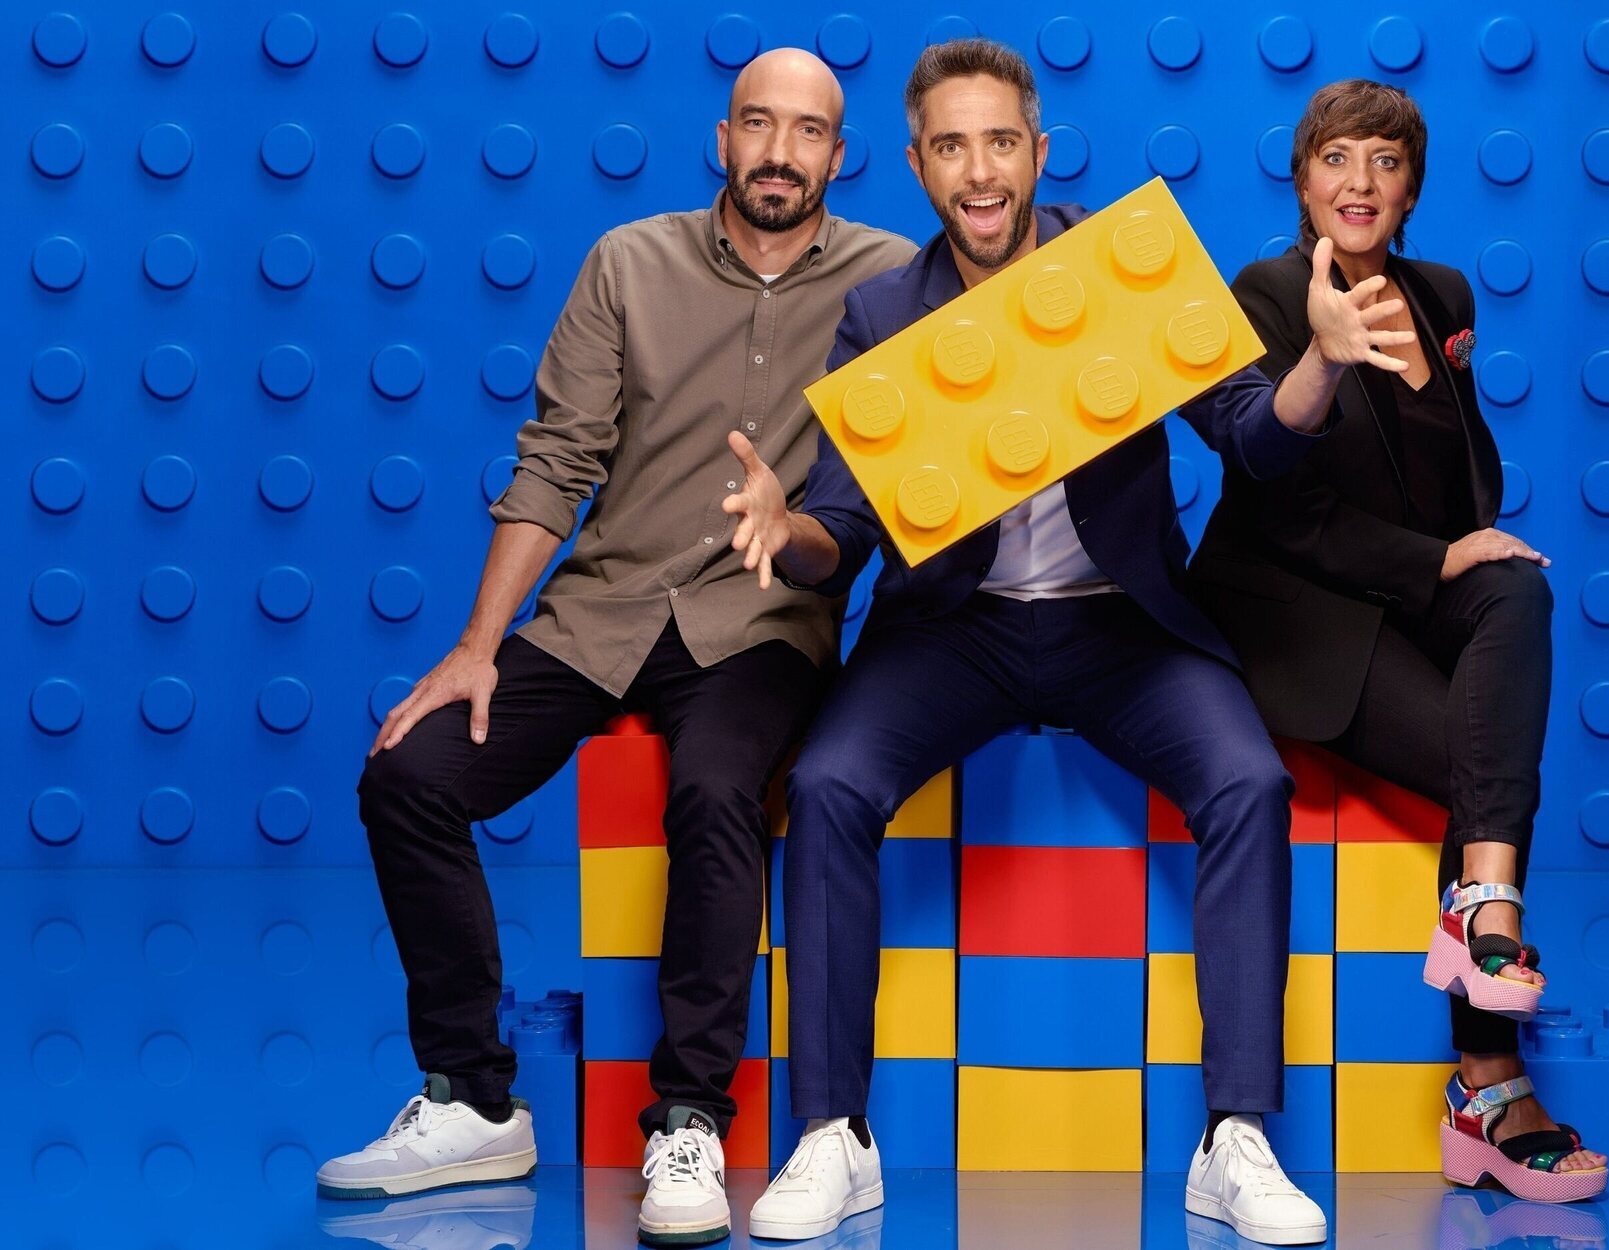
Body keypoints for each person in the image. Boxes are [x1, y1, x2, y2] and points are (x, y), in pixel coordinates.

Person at [723, 39, 1411, 1247]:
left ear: (1038, 153)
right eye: (951, 147)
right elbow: (843, 523)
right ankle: (833, 1129)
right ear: (917, 167)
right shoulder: (880, 312)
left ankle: (1235, 1134)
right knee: (827, 784)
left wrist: (1315, 360)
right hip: (955, 629)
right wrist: (790, 533)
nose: (979, 171)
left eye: (1000, 142)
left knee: (1246, 782)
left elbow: (1248, 436)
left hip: (1119, 623)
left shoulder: (1123, 270)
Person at [314, 49, 916, 1248]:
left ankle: (686, 1118)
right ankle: (475, 1100)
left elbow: (934, 459)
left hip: (760, 621)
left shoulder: (892, 278)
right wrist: (477, 644)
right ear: (721, 139)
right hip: (605, 606)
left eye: (807, 131)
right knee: (408, 776)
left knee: (715, 790)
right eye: (758, 124)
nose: (779, 152)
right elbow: (557, 460)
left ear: (839, 155)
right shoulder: (626, 261)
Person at [1188, 78, 1608, 1201]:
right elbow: (1286, 511)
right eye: (1335, 158)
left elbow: (1459, 470)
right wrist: (1435, 561)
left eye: (1383, 159)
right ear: (1301, 180)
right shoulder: (1269, 293)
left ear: (1412, 186)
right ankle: (1488, 1080)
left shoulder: (1442, 294)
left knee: (1518, 590)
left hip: (1402, 584)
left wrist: (1458, 545)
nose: (1359, 181)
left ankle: (1480, 909)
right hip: (1294, 605)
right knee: (1482, 762)